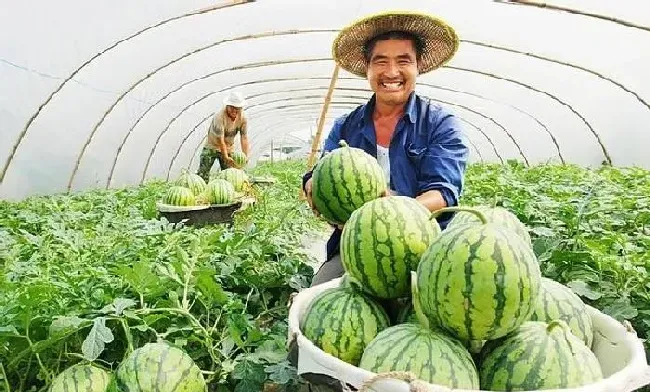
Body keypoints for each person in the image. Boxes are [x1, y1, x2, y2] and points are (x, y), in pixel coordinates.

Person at [302, 11, 470, 288]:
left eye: (403, 61)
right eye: (381, 62)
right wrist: (312, 184)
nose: (391, 73)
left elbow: (442, 194)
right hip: (355, 248)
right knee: (317, 298)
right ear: (367, 68)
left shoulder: (440, 123)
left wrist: (386, 215)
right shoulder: (345, 127)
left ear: (418, 67)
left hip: (424, 246)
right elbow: (323, 171)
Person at [197, 91, 250, 181]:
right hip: (212, 147)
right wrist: (225, 156)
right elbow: (220, 140)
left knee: (230, 176)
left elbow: (244, 137)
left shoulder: (243, 118)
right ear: (227, 106)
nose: (235, 110)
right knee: (203, 174)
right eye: (232, 107)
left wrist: (245, 156)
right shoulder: (219, 117)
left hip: (228, 147)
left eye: (238, 108)